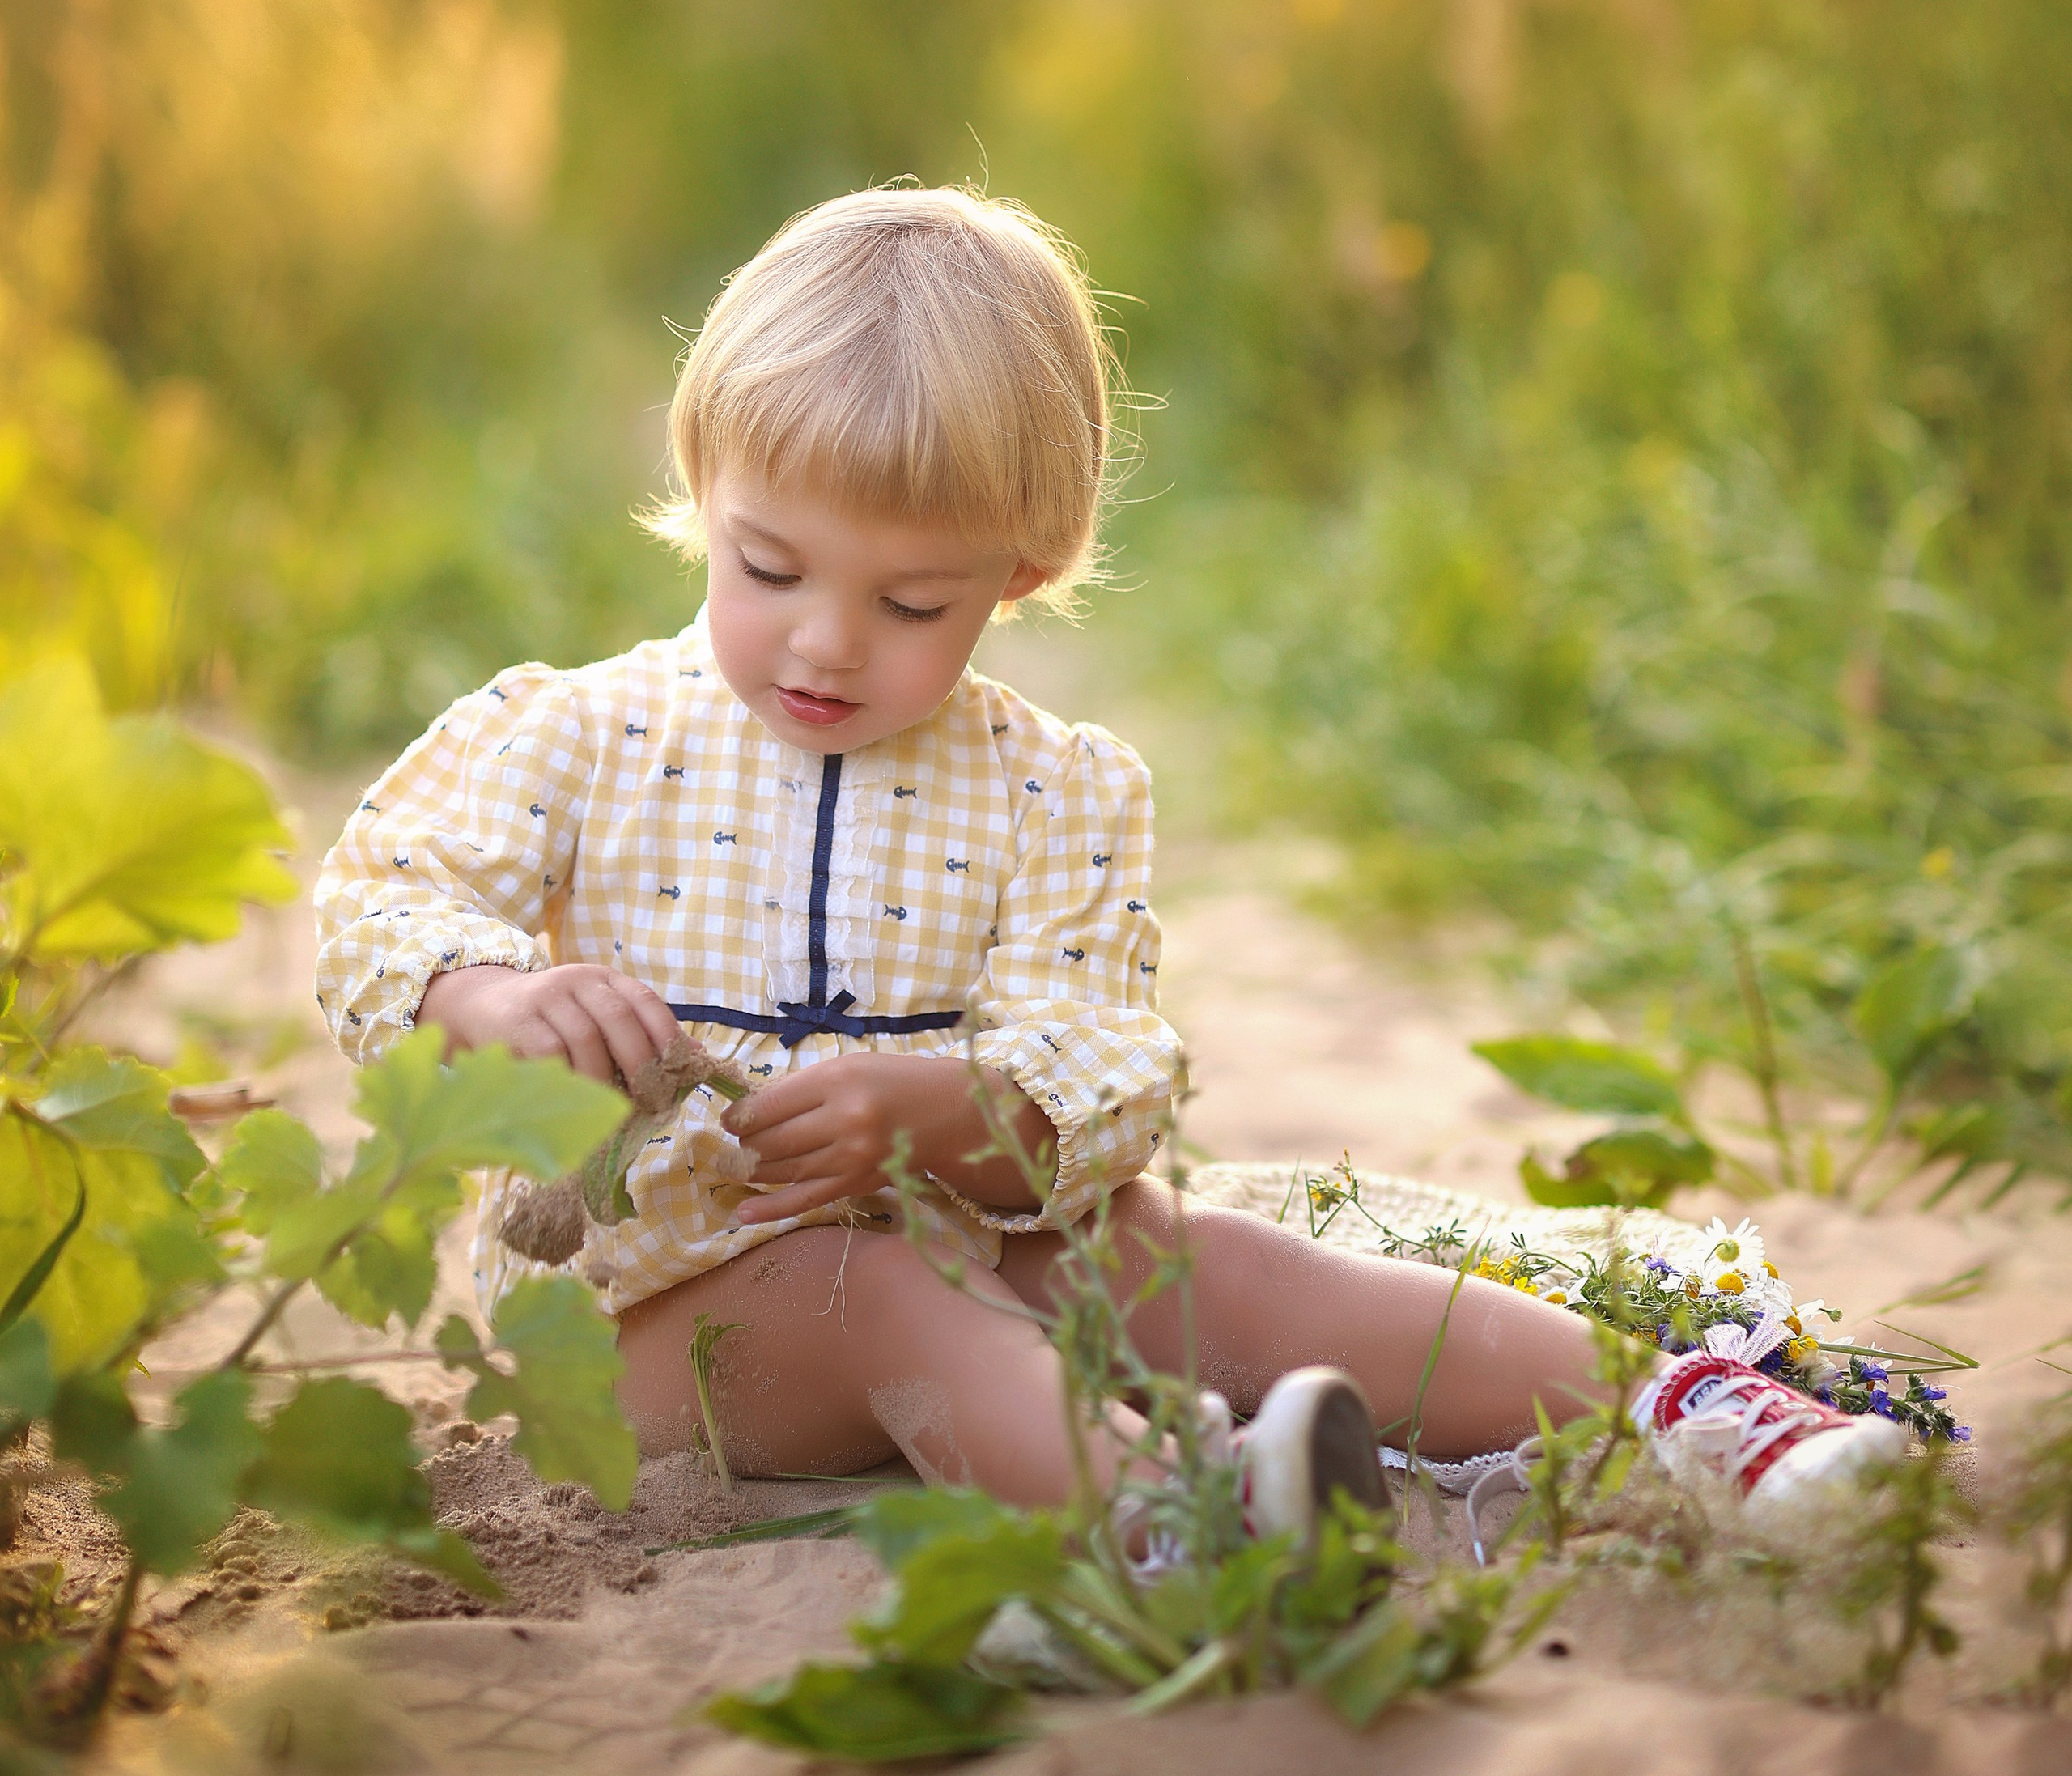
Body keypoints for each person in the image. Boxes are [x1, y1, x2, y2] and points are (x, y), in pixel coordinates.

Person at [314, 186, 1902, 1532]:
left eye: (910, 602)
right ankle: (1170, 1517)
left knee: (1182, 1256)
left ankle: (1691, 1410)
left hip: (974, 1257)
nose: (824, 638)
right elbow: (378, 903)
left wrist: (955, 1113)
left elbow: (1107, 1068)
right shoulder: (576, 737)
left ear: (1021, 570)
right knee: (868, 1293)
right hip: (661, 1331)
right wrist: (491, 999)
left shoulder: (1047, 790)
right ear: (704, 493)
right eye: (770, 565)